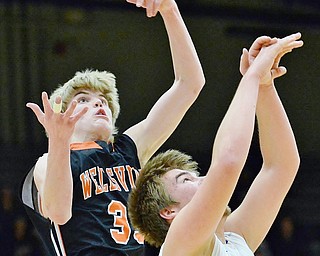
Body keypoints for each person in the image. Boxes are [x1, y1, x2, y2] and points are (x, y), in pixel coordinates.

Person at [19, 0, 205, 255]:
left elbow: (190, 84)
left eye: (103, 101)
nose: (98, 103)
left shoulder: (127, 148)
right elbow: (59, 213)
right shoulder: (49, 161)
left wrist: (170, 9)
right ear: (62, 114)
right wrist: (59, 141)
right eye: (83, 99)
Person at [128, 32, 303, 255]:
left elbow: (282, 166)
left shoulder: (234, 239)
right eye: (186, 180)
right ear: (169, 212)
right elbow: (228, 161)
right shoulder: (180, 244)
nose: (205, 180)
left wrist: (264, 86)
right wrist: (251, 76)